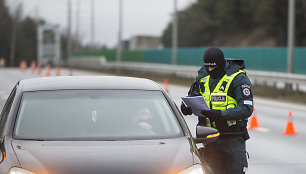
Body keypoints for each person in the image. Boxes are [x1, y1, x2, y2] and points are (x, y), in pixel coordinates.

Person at [181, 47, 253, 174]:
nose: (210, 70)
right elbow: (192, 97)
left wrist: (221, 115)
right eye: (207, 67)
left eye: (213, 67)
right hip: (210, 139)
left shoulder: (238, 78)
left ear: (221, 64)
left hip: (233, 138)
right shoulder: (202, 77)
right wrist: (186, 106)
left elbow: (246, 108)